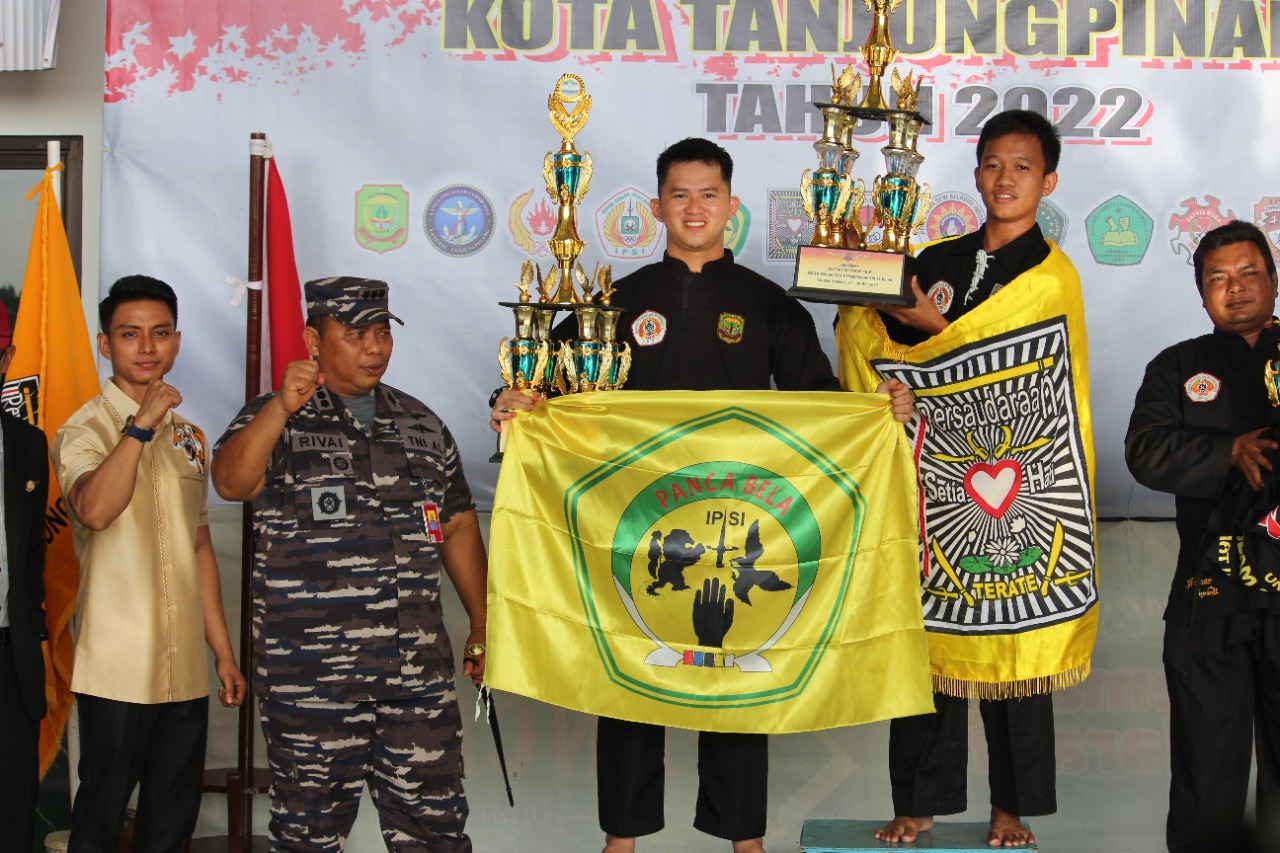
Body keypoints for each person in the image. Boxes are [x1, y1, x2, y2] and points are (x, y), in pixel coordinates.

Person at [490, 137, 912, 853]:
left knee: (737, 673)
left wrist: (878, 411)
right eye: (679, 195)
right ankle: (621, 838)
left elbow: (821, 402)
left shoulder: (768, 304)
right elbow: (544, 385)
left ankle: (744, 837)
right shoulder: (613, 302)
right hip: (635, 524)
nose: (694, 208)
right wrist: (511, 401)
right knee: (627, 670)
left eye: (708, 194)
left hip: (740, 520)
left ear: (731, 206)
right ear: (657, 207)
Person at [212, 276, 489, 853]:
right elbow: (231, 483)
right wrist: (279, 409)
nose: (375, 348)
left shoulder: (420, 424)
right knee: (308, 838)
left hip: (415, 677)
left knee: (436, 834)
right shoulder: (274, 419)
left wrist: (483, 622)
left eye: (382, 333)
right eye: (357, 335)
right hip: (312, 682)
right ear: (314, 341)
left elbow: (458, 523)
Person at [862, 110, 1074, 848]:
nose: (1005, 178)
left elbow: (1035, 375)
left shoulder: (1052, 276)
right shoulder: (937, 260)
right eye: (992, 164)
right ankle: (919, 801)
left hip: (1022, 483)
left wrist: (932, 328)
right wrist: (861, 296)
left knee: (1015, 644)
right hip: (935, 481)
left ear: (1048, 181)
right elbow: (889, 349)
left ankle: (1010, 806)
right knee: (927, 644)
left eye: (1022, 167)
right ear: (976, 173)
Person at [51, 275, 246, 853]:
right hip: (116, 666)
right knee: (101, 820)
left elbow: (199, 546)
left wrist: (223, 653)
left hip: (183, 665)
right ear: (105, 344)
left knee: (171, 826)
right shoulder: (81, 430)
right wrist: (138, 427)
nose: (146, 347)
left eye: (160, 333)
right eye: (129, 334)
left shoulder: (190, 438)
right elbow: (94, 511)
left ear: (177, 342)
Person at [1125, 220, 1280, 853]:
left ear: (1273, 280)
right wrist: (1227, 453)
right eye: (1219, 278)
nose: (1235, 288)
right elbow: (1145, 451)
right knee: (1206, 762)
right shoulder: (1177, 366)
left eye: (1249, 274)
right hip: (1209, 585)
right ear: (1201, 292)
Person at [0, 302, 51, 853]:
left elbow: (32, 547)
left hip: (10, 657)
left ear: (7, 358)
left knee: (12, 808)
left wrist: (31, 623)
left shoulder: (28, 443)